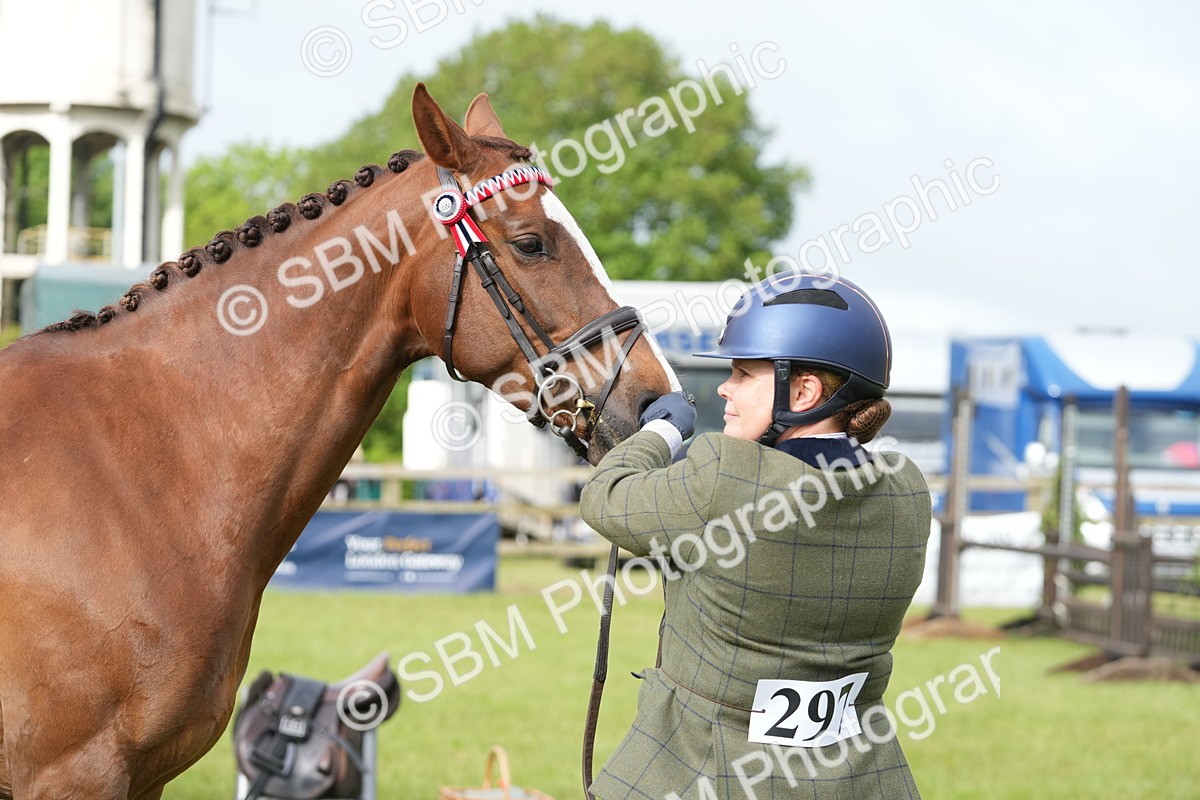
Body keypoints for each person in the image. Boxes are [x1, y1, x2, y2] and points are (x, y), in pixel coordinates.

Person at [579, 273, 932, 800]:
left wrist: (661, 433)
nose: (724, 387)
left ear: (805, 390)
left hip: (704, 769)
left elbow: (606, 496)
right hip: (861, 775)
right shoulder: (907, 491)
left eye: (744, 374)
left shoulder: (723, 475)